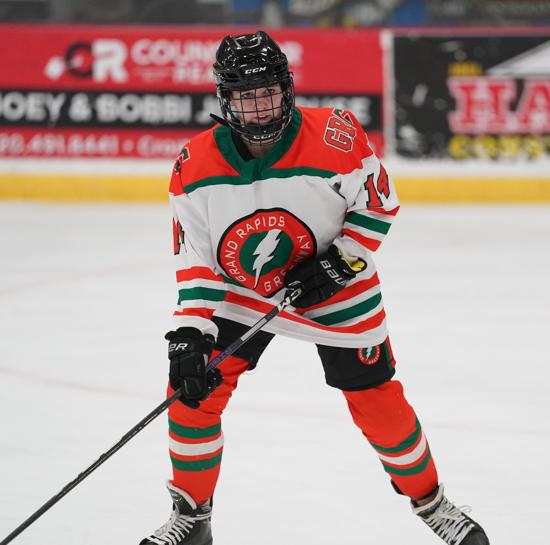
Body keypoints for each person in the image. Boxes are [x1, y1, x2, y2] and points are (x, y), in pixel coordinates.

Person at [140, 30, 490, 545]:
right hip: (244, 292)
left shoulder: (335, 136)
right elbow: (196, 259)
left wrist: (340, 263)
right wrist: (189, 332)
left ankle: (434, 504)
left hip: (337, 287)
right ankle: (192, 519)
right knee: (190, 395)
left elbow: (379, 205)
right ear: (225, 99)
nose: (259, 107)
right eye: (245, 96)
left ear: (287, 89)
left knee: (378, 404)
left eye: (268, 92)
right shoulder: (193, 166)